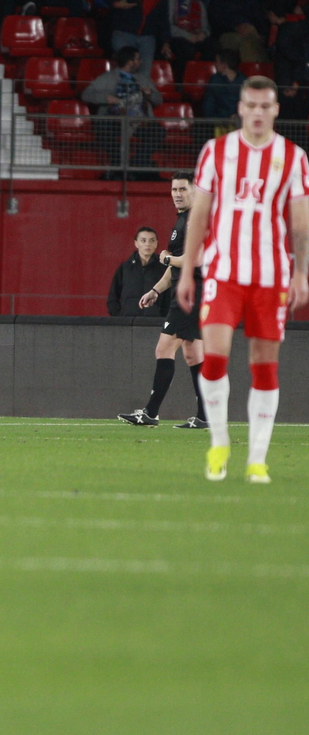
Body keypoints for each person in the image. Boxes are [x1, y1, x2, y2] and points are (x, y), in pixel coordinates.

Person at [175, 76, 309, 483]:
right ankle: (219, 444)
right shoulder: (216, 152)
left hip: (271, 275)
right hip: (223, 272)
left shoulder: (293, 157)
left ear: (276, 109)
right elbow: (199, 214)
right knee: (213, 358)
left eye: (264, 106)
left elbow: (300, 222)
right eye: (250, 105)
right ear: (240, 107)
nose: (257, 112)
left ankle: (257, 458)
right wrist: (187, 270)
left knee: (264, 367)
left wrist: (301, 272)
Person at [120, 173, 209, 428]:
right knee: (192, 354)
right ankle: (205, 416)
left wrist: (166, 258)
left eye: (182, 189)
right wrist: (155, 291)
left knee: (164, 349)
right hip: (192, 289)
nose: (177, 194)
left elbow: (197, 260)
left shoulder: (194, 219)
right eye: (174, 189)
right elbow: (177, 265)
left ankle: (150, 413)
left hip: (192, 292)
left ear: (194, 190)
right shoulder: (183, 220)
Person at [82, 46, 163, 172]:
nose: (141, 61)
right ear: (130, 62)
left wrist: (150, 94)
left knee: (158, 132)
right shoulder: (107, 78)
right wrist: (106, 98)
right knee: (102, 128)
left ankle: (136, 163)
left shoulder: (143, 78)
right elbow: (86, 94)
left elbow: (159, 100)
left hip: (139, 121)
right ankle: (117, 168)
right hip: (114, 120)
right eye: (138, 59)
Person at [106, 225, 167, 316]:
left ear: (156, 244)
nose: (147, 244)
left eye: (152, 240)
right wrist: (119, 317)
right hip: (128, 322)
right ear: (136, 243)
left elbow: (170, 296)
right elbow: (112, 297)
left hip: (155, 323)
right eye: (143, 240)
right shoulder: (125, 267)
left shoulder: (163, 268)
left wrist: (162, 317)